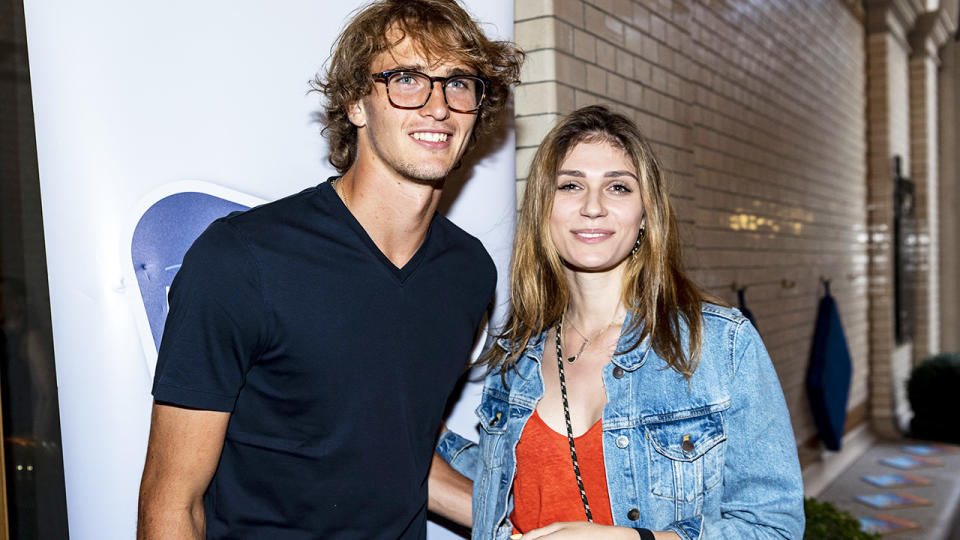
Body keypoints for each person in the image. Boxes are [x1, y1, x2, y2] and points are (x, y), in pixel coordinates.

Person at [137, 1, 523, 538]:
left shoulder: (467, 272)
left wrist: (525, 523)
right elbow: (172, 502)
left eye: (459, 83)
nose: (439, 107)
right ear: (355, 104)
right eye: (407, 79)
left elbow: (393, 447)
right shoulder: (242, 260)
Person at [436, 106, 805, 539]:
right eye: (570, 185)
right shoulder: (516, 356)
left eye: (618, 187)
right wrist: (419, 430)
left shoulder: (719, 345)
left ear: (646, 214)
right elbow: (505, 485)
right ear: (542, 210)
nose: (593, 207)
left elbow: (774, 528)